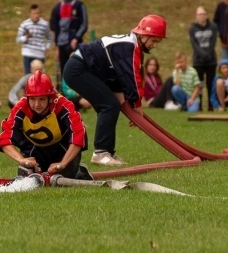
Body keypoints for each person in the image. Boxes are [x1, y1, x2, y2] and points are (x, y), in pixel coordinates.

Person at [64, 14, 166, 166]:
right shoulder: (130, 47)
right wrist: (137, 107)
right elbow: (131, 79)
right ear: (143, 35)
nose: (155, 45)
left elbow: (119, 80)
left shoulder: (132, 47)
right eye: (154, 41)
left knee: (111, 105)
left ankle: (107, 153)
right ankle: (101, 153)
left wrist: (130, 108)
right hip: (78, 69)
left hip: (83, 69)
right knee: (109, 106)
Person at [0, 70, 91, 180]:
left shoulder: (63, 105)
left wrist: (63, 163)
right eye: (32, 99)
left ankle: (78, 172)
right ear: (27, 98)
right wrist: (22, 160)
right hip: (34, 152)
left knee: (62, 178)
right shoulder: (20, 108)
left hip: (62, 151)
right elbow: (4, 138)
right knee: (26, 178)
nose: (37, 105)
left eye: (42, 99)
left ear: (50, 98)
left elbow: (79, 133)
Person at [49, 0, 88, 82]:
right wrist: (57, 46)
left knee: (76, 68)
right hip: (61, 43)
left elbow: (84, 24)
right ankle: (64, 90)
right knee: (63, 71)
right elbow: (55, 27)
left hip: (74, 43)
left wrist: (76, 38)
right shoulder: (58, 7)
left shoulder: (79, 5)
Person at [189, 6, 218, 111]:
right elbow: (194, 44)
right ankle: (199, 104)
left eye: (203, 14)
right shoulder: (192, 28)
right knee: (199, 84)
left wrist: (208, 54)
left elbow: (213, 42)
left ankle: (211, 104)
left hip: (211, 60)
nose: (202, 16)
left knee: (210, 84)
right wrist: (202, 55)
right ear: (196, 16)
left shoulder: (213, 26)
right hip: (198, 61)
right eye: (200, 14)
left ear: (206, 15)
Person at [15, 4, 52, 74]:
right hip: (28, 53)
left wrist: (47, 47)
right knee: (28, 76)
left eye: (38, 13)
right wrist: (26, 37)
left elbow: (50, 38)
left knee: (39, 76)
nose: (36, 15)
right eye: (34, 13)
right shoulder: (24, 24)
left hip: (40, 54)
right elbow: (18, 40)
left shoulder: (45, 24)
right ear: (30, 14)